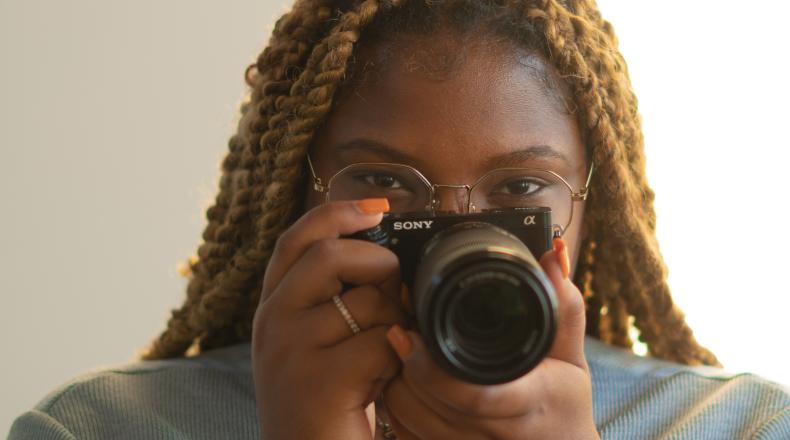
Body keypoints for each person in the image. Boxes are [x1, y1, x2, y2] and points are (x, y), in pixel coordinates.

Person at [9, 0, 790, 439]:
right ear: (295, 194)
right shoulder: (102, 431)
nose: (455, 232)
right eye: (387, 183)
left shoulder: (733, 426)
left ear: (594, 204)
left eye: (520, 192)